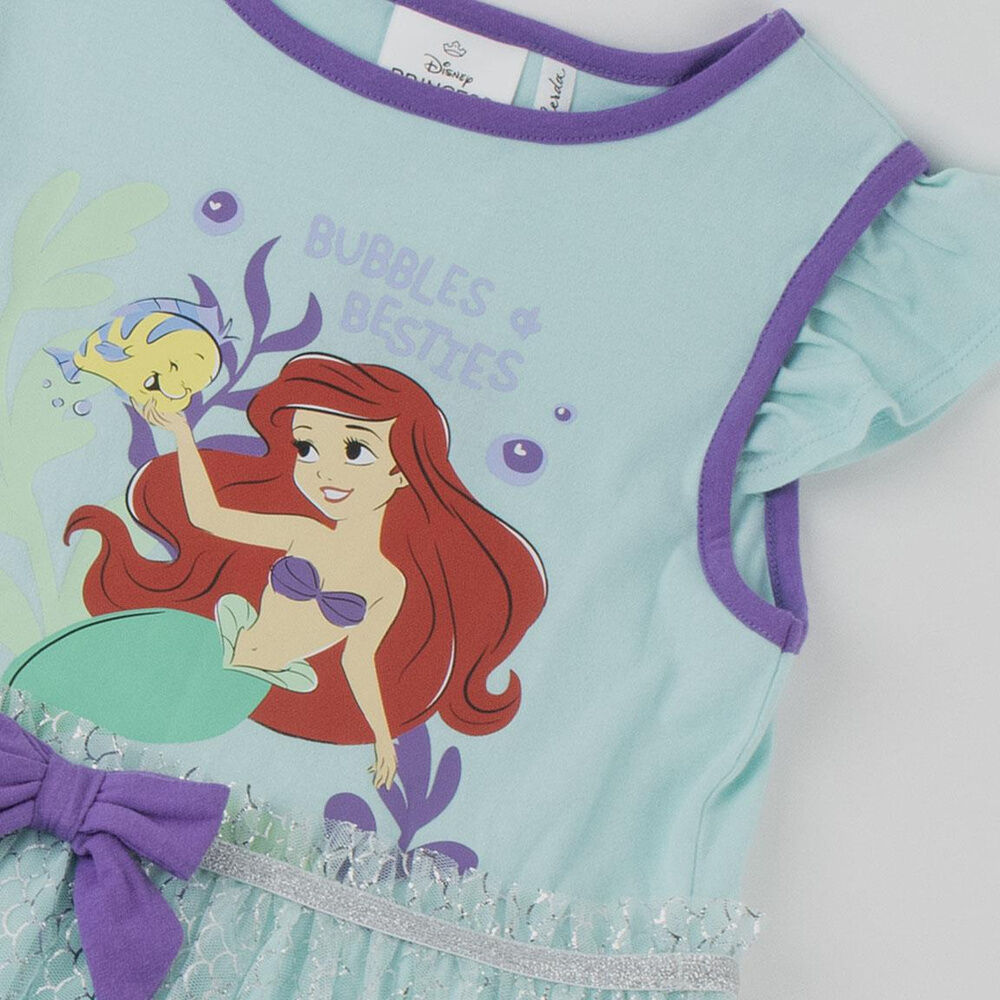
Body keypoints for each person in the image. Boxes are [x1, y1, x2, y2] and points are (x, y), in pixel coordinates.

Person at [63, 352, 548, 789]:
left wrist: (383, 739)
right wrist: (182, 434)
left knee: (159, 760)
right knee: (105, 719)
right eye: (307, 448)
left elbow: (358, 661)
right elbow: (209, 518)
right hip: (215, 647)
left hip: (264, 683)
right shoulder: (306, 533)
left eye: (355, 452)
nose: (324, 472)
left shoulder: (388, 581)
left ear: (402, 470)